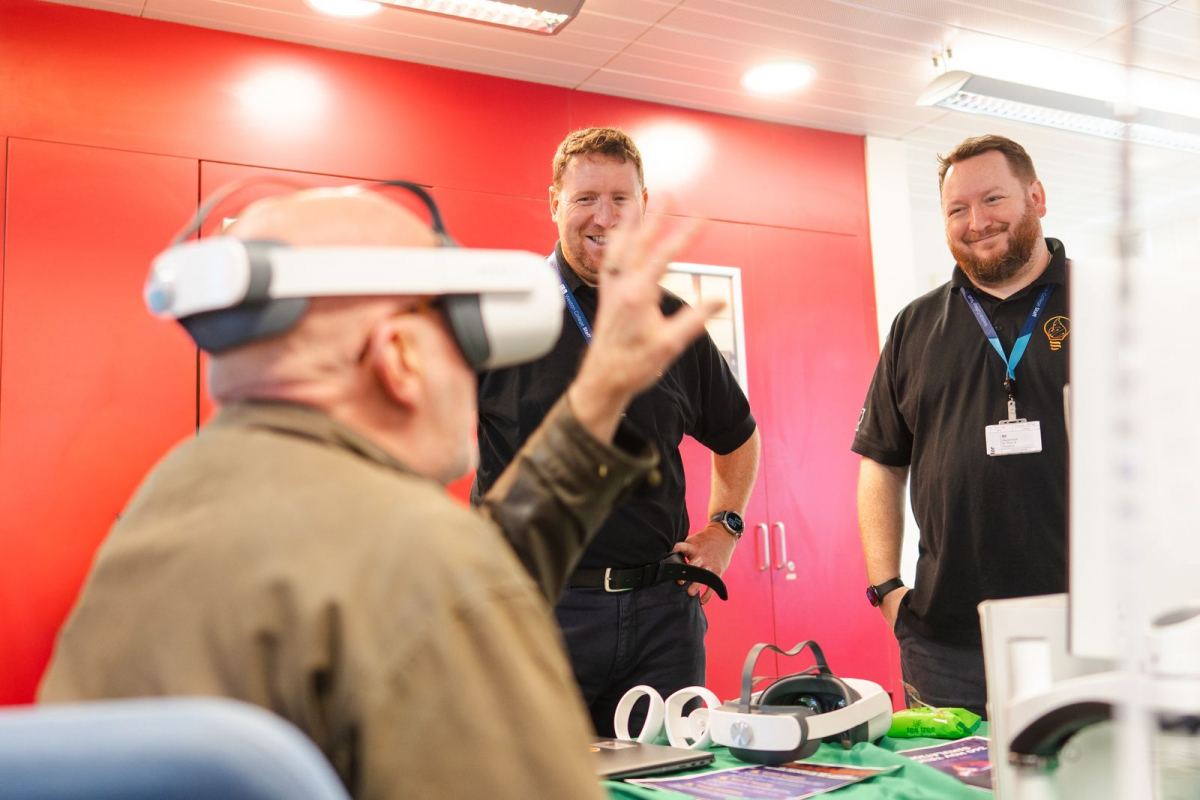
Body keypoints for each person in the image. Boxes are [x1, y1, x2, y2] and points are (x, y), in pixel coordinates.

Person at [38, 185, 723, 800]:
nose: (475, 370)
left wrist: (597, 400)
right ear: (399, 358)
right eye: (462, 336)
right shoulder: (423, 560)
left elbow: (457, 578)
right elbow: (447, 586)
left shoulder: (173, 500)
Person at [472, 127, 760, 736]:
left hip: (663, 617)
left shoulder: (671, 319)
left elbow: (738, 435)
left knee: (672, 780)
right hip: (540, 611)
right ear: (554, 203)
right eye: (584, 199)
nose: (603, 216)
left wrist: (725, 526)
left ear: (643, 204)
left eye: (620, 199)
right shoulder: (500, 317)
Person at [852, 135, 1070, 718]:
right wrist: (885, 590)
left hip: (1085, 630)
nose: (977, 222)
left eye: (993, 199)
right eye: (957, 209)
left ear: (1036, 196)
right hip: (945, 641)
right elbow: (880, 461)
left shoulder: (1103, 304)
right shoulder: (915, 325)